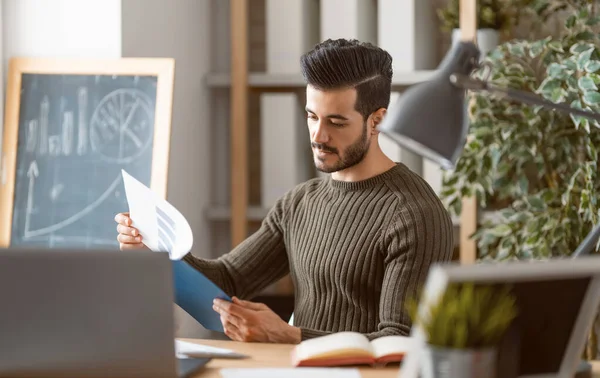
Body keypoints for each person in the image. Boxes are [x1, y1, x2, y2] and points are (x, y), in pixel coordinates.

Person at [115, 38, 454, 344]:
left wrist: (288, 335)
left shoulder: (414, 214)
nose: (318, 136)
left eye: (336, 122)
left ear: (376, 121)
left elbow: (400, 342)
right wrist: (157, 253)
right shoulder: (299, 203)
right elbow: (228, 282)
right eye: (311, 116)